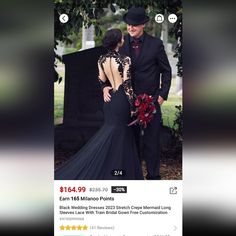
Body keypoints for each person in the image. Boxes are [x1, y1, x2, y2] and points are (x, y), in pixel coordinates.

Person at [55, 28, 143, 180]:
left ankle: (116, 173)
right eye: (122, 38)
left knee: (115, 135)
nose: (124, 40)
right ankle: (119, 175)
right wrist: (133, 106)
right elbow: (127, 85)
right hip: (122, 100)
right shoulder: (125, 60)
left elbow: (101, 80)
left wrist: (104, 89)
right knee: (120, 136)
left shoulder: (101, 59)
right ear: (119, 42)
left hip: (110, 101)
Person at [103, 7, 172, 180]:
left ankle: (154, 177)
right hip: (125, 102)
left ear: (143, 25)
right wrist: (104, 86)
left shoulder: (156, 44)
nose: (131, 28)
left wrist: (162, 95)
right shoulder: (120, 43)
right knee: (128, 142)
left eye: (134, 25)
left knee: (151, 142)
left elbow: (166, 71)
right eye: (128, 24)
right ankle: (130, 178)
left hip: (151, 102)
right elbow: (108, 67)